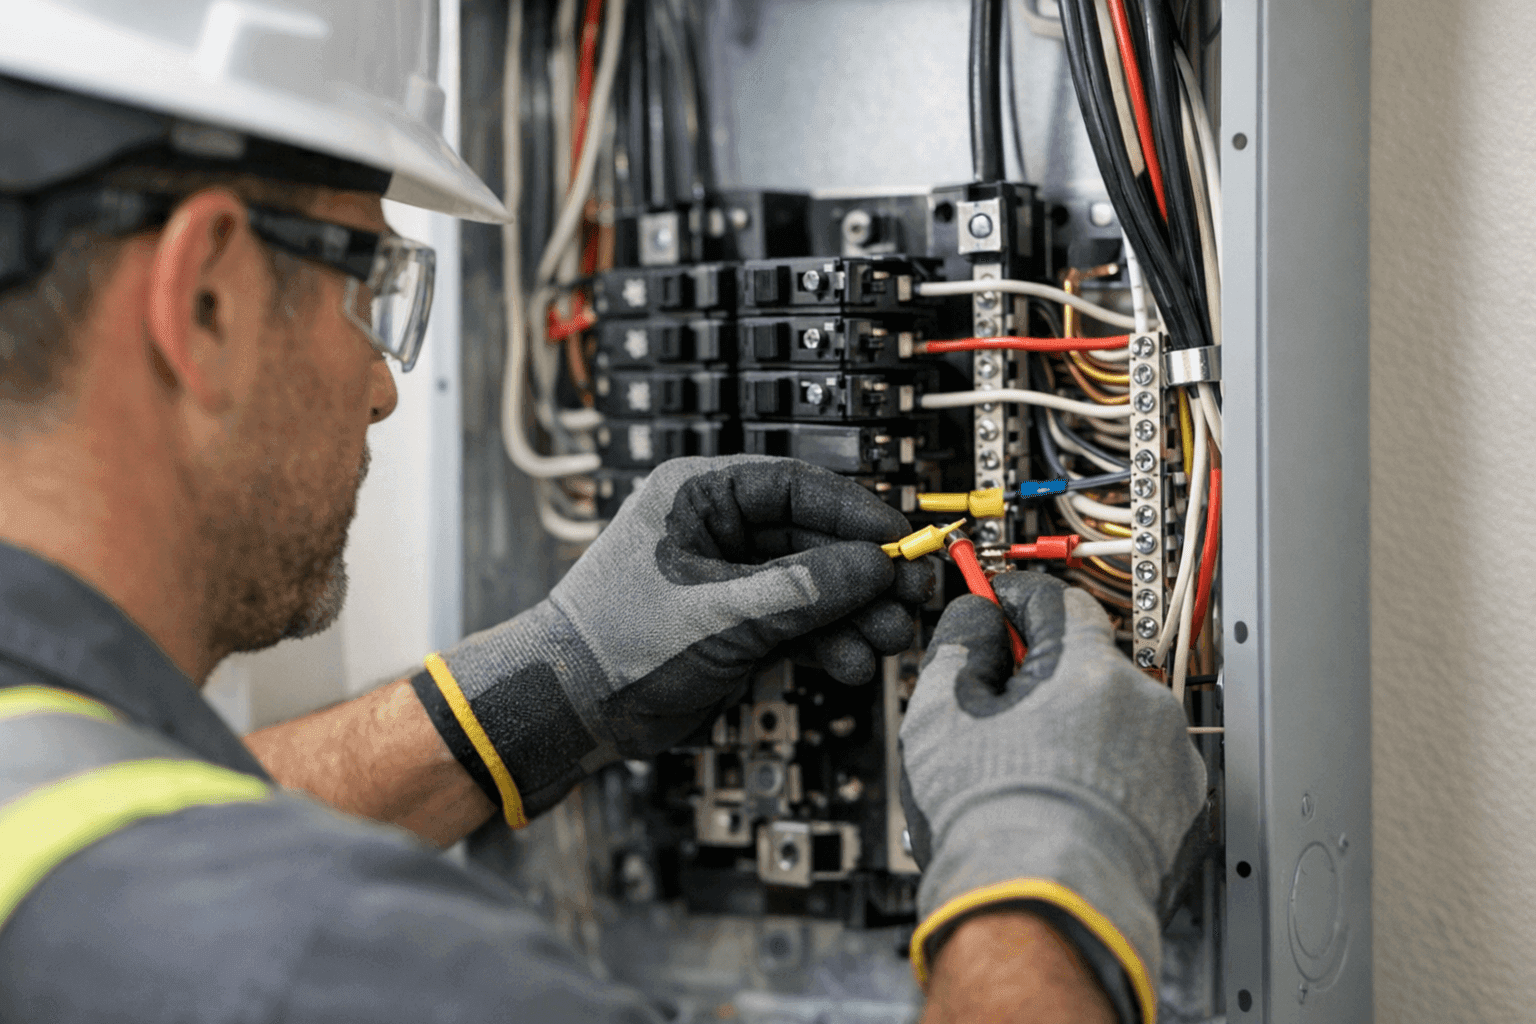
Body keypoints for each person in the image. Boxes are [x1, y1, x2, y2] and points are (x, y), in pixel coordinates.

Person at [0, 3, 1206, 1023]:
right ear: (206, 298)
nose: (382, 384)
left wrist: (549, 684)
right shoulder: (329, 960)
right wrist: (1044, 869)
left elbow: (143, 812)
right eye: (370, 283)